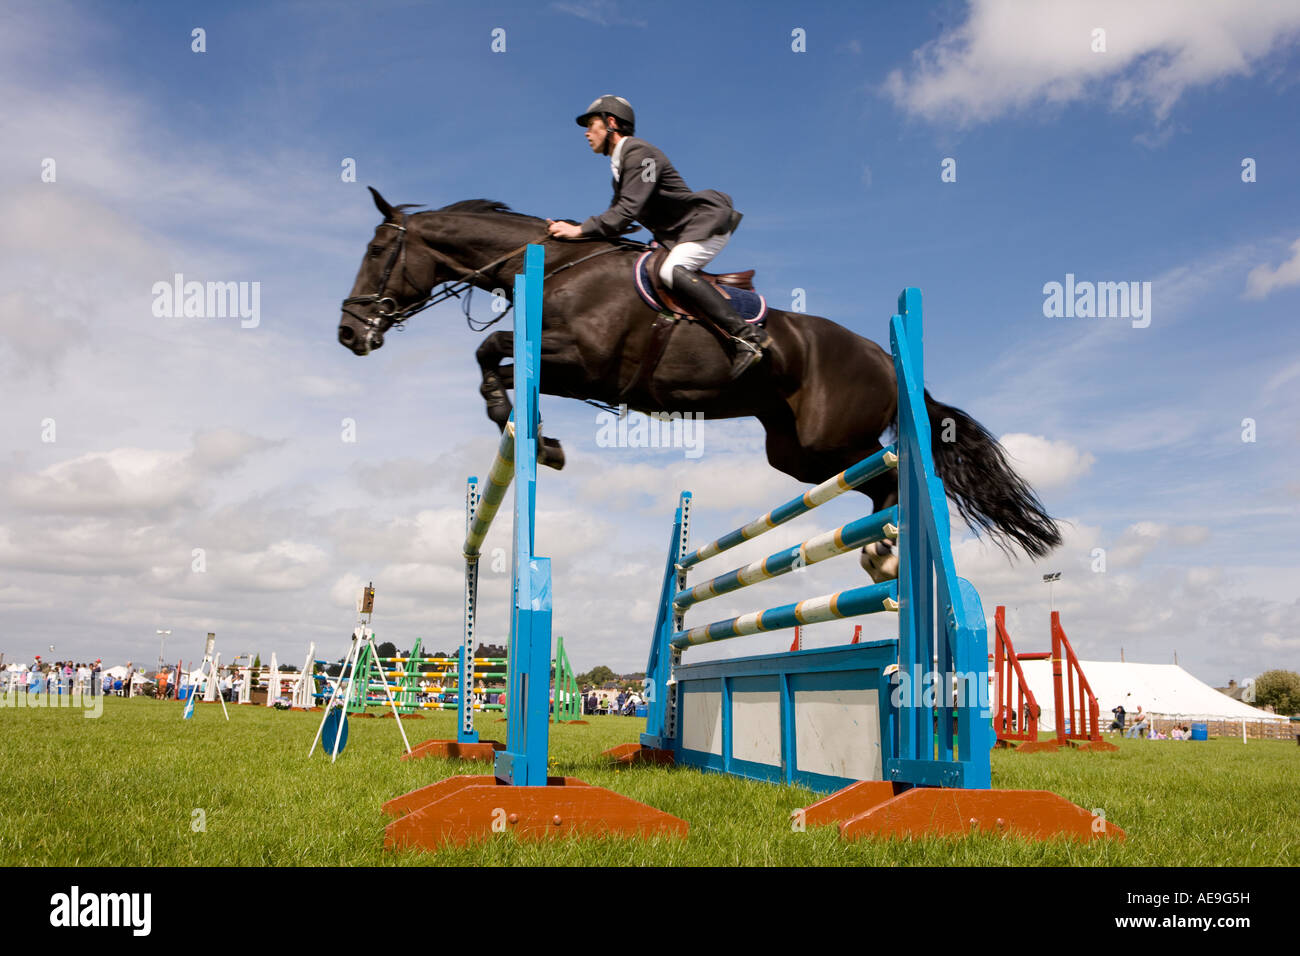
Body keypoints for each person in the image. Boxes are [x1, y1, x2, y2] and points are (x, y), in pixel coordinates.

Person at [549, 95, 770, 380]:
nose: (586, 132)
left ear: (611, 123)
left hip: (704, 226)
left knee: (669, 271)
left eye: (591, 124)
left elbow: (625, 212)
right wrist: (573, 230)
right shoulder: (622, 164)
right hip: (678, 235)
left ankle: (746, 336)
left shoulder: (641, 154)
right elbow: (619, 218)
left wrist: (578, 230)